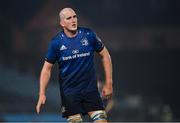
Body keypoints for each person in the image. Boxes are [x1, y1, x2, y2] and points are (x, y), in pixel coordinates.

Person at [36, 7, 113, 123]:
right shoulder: (56, 43)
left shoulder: (89, 35)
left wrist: (109, 83)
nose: (73, 20)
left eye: (75, 17)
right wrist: (42, 93)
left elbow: (105, 56)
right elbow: (46, 69)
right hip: (70, 94)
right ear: (62, 23)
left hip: (90, 91)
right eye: (69, 18)